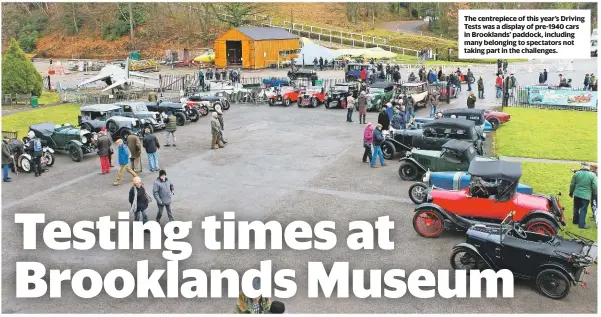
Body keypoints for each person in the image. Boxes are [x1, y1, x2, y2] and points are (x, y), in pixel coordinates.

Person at [570, 162, 597, 229]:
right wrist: (595, 194)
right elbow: (594, 186)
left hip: (576, 194)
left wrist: (571, 192)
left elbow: (572, 184)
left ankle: (575, 221)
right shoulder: (592, 175)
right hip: (586, 196)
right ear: (589, 169)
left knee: (576, 208)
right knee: (583, 209)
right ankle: (581, 224)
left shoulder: (577, 173)